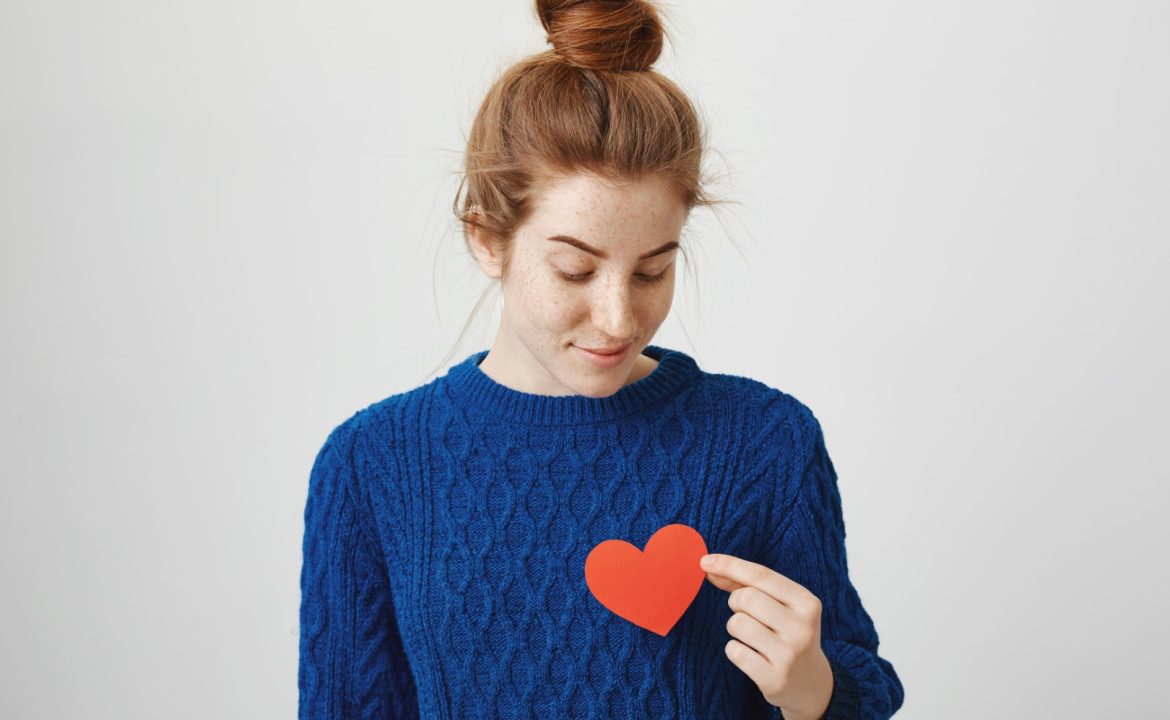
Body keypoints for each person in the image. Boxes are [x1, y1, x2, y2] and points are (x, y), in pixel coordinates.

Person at [297, 1, 905, 718]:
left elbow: (860, 689)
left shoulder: (765, 442)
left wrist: (814, 692)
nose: (619, 319)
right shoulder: (373, 465)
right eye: (574, 271)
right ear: (488, 238)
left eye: (652, 271)